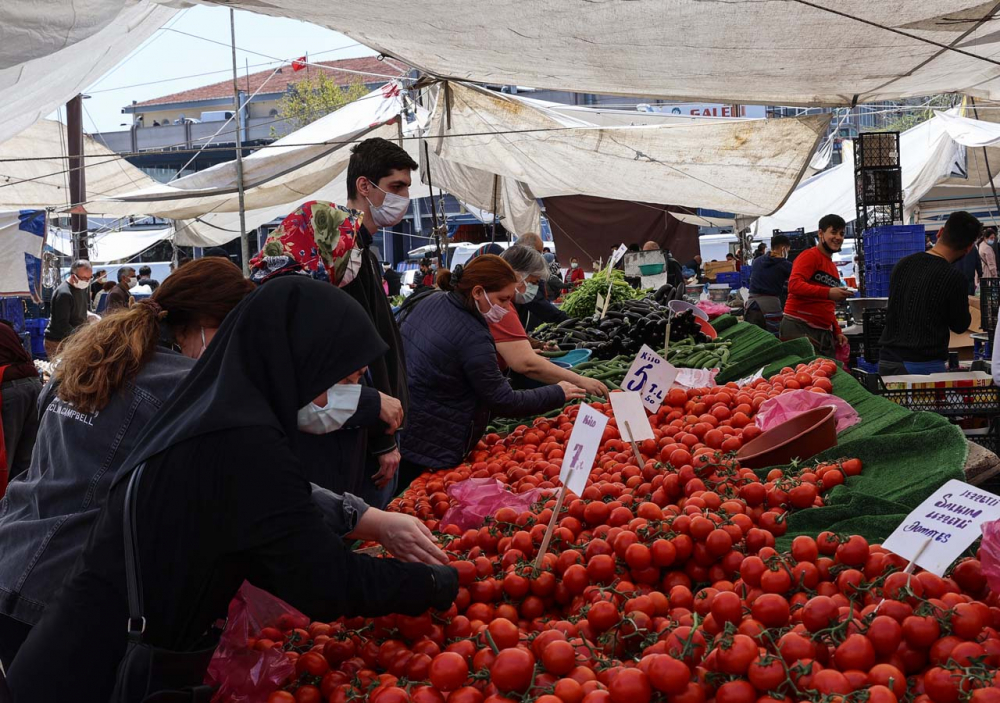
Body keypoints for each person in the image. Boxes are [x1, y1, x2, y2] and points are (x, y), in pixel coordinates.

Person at [6, 278, 458, 701]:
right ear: (302, 356)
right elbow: (320, 579)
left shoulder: (217, 407)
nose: (338, 393)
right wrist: (438, 583)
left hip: (73, 630)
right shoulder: (237, 432)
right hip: (95, 665)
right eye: (343, 375)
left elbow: (269, 537)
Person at [250, 138, 416, 508]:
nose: (404, 198)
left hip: (363, 422)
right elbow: (349, 366)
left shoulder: (359, 256)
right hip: (351, 435)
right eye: (396, 187)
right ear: (364, 186)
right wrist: (383, 437)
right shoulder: (340, 262)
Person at [396, 255, 584, 489]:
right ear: (477, 292)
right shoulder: (474, 335)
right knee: (411, 495)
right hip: (433, 439)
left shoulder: (431, 300)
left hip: (405, 422)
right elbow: (503, 400)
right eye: (503, 300)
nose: (506, 309)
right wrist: (558, 392)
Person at [494, 247, 609, 397]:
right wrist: (580, 381)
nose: (534, 288)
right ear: (518, 275)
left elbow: (507, 338)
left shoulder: (502, 303)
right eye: (533, 282)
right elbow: (527, 364)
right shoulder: (499, 306)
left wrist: (533, 346)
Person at [878, 211, 980, 376]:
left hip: (887, 360)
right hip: (922, 366)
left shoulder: (903, 264)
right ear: (968, 249)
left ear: (940, 232)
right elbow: (960, 325)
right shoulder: (954, 278)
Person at [778, 214, 850, 358]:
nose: (838, 237)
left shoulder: (832, 268)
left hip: (821, 331)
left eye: (841, 234)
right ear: (821, 233)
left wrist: (837, 331)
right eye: (834, 232)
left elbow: (828, 305)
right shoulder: (809, 256)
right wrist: (829, 292)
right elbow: (794, 285)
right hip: (799, 327)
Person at [0, 321, 41, 490]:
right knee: (26, 460)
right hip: (34, 385)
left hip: (10, 391)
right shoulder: (5, 327)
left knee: (6, 457)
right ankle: (21, 509)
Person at [43, 259, 92, 359]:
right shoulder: (64, 294)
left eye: (89, 278)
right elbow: (62, 324)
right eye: (84, 278)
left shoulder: (82, 287)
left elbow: (79, 311)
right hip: (58, 342)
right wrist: (82, 336)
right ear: (74, 276)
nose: (87, 281)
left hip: (74, 340)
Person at [745, 235, 793, 334]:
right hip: (770, 306)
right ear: (784, 248)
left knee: (753, 338)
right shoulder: (785, 264)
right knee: (772, 340)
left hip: (751, 305)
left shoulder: (757, 261)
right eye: (788, 250)